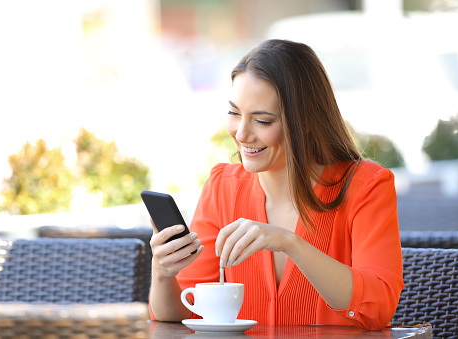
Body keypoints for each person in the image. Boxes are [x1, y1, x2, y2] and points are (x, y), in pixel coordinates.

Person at [148, 39, 404, 330]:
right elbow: (186, 313)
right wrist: (162, 273)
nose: (242, 134)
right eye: (234, 113)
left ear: (306, 121)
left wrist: (289, 242)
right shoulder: (223, 187)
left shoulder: (367, 186)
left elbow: (378, 308)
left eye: (263, 121)